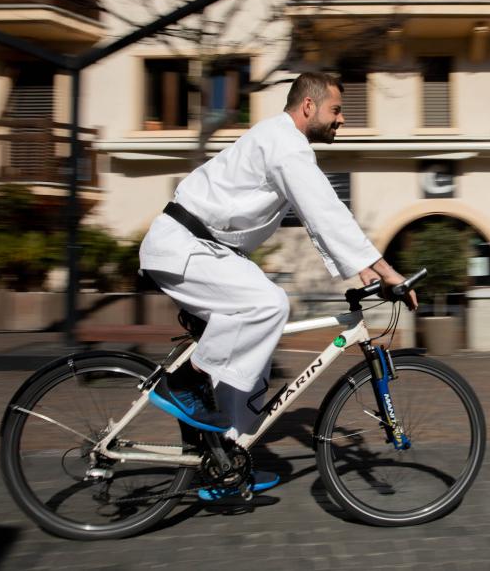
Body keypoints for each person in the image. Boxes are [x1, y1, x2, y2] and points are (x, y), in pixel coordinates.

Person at [139, 72, 417, 440]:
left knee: (250, 371)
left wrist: (365, 269)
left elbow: (316, 216)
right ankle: (185, 383)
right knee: (269, 304)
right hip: (186, 247)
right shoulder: (286, 144)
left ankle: (225, 464)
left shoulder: (281, 142)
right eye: (336, 109)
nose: (342, 118)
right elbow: (325, 209)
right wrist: (383, 270)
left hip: (207, 252)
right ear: (308, 105)